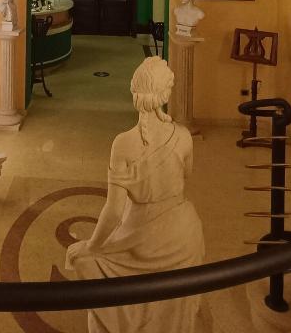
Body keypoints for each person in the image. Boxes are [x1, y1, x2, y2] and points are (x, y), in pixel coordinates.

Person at [66, 56, 205, 332]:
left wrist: (92, 245)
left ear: (134, 93)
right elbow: (185, 176)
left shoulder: (123, 144)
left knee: (83, 259)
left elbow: (114, 211)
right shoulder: (184, 136)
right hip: (184, 234)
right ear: (166, 94)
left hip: (142, 235)